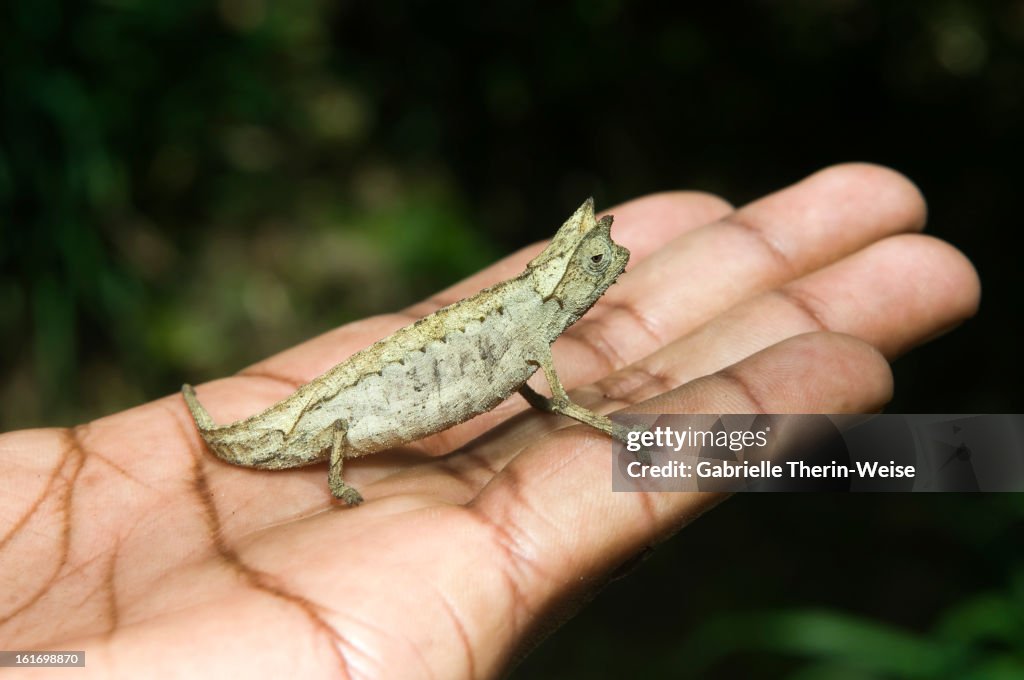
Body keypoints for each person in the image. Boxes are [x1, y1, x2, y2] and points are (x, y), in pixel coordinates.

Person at [0, 164, 979, 677]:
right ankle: (332, 461)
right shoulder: (533, 329)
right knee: (324, 422)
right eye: (596, 270)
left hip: (412, 375)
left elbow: (532, 374)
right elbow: (547, 392)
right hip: (354, 410)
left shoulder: (533, 321)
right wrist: (597, 422)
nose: (606, 280)